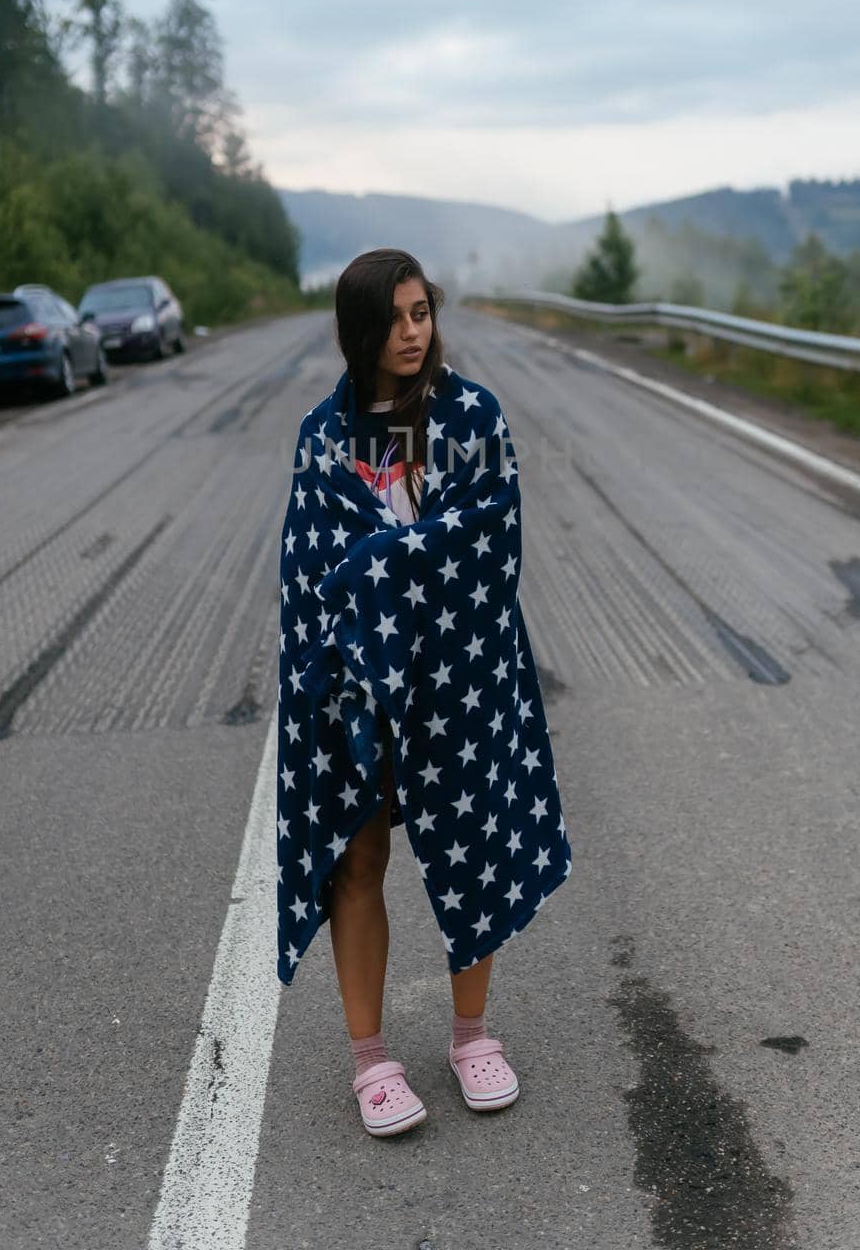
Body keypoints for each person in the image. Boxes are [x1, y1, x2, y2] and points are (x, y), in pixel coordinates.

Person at [283, 247, 570, 1137]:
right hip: (357, 683)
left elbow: (493, 540)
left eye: (423, 313)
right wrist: (370, 587)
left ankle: (471, 1035)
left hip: (459, 669)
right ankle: (371, 1061)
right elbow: (306, 572)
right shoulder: (323, 438)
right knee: (358, 859)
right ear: (358, 331)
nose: (414, 333)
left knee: (470, 834)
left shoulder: (473, 416)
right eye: (396, 319)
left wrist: (385, 558)